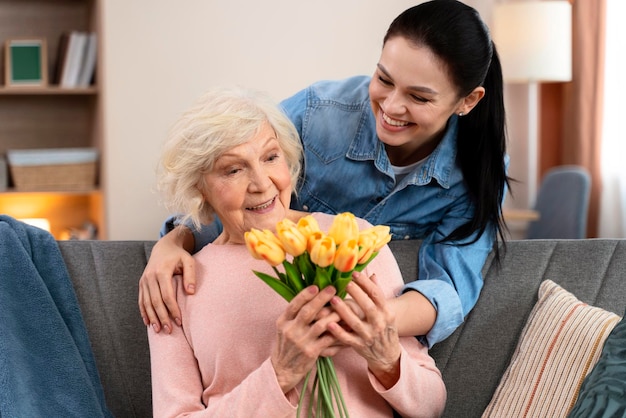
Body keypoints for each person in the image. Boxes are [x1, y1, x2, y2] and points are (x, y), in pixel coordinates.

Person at [140, 0, 510, 348]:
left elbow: (449, 287)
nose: (392, 106)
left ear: (468, 101)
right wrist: (174, 241)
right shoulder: (317, 114)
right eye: (384, 79)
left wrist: (363, 320)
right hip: (267, 305)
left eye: (419, 97)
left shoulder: (477, 171)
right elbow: (235, 191)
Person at [148, 86, 446, 417]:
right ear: (198, 188)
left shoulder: (353, 239)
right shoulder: (175, 285)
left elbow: (432, 404)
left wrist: (388, 361)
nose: (262, 183)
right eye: (233, 170)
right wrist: (279, 374)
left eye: (271, 157)